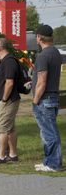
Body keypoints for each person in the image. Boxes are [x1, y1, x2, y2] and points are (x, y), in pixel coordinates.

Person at [32, 24, 63, 172]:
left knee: (49, 133)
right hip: (52, 96)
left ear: (39, 37)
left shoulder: (43, 55)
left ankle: (53, 164)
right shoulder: (55, 52)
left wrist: (35, 100)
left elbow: (42, 81)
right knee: (47, 132)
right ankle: (48, 161)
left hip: (44, 98)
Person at [0, 37, 20, 165]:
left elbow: (9, 82)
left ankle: (1, 156)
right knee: (10, 129)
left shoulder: (8, 61)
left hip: (8, 101)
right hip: (9, 100)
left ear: (1, 47)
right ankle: (13, 155)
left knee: (2, 129)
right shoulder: (5, 61)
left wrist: (3, 99)